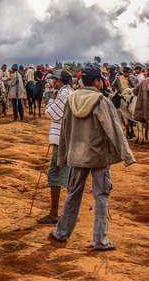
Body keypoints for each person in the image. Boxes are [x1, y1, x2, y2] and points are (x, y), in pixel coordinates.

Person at [49, 65, 136, 250]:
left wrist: (63, 157)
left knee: (73, 193)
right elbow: (114, 130)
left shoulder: (71, 100)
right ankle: (100, 241)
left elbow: (64, 132)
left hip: (77, 156)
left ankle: (61, 233)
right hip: (99, 157)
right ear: (97, 81)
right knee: (101, 196)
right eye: (100, 81)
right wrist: (128, 156)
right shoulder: (101, 101)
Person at [37, 68, 72, 224]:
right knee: (70, 176)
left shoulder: (63, 94)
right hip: (68, 139)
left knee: (56, 174)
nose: (52, 82)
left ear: (59, 81)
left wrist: (51, 100)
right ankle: (69, 213)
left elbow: (52, 114)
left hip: (62, 140)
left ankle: (54, 213)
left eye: (54, 80)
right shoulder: (70, 93)